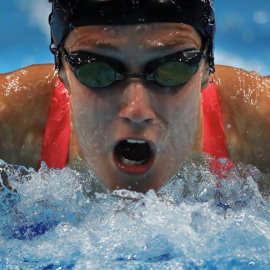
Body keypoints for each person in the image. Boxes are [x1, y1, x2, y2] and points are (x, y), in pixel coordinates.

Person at [0, 0, 270, 193]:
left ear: (204, 69)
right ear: (63, 70)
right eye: (98, 71)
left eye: (171, 69)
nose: (137, 110)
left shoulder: (259, 124)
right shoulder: (10, 123)